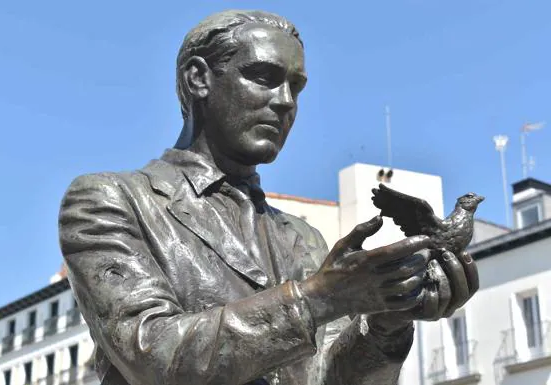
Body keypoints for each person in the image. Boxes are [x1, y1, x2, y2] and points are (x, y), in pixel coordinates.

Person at [58, 10, 478, 385]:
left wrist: (387, 322)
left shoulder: (302, 238)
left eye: (296, 87)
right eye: (263, 77)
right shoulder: (111, 200)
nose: (285, 102)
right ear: (198, 78)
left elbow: (326, 378)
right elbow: (152, 354)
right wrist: (325, 297)